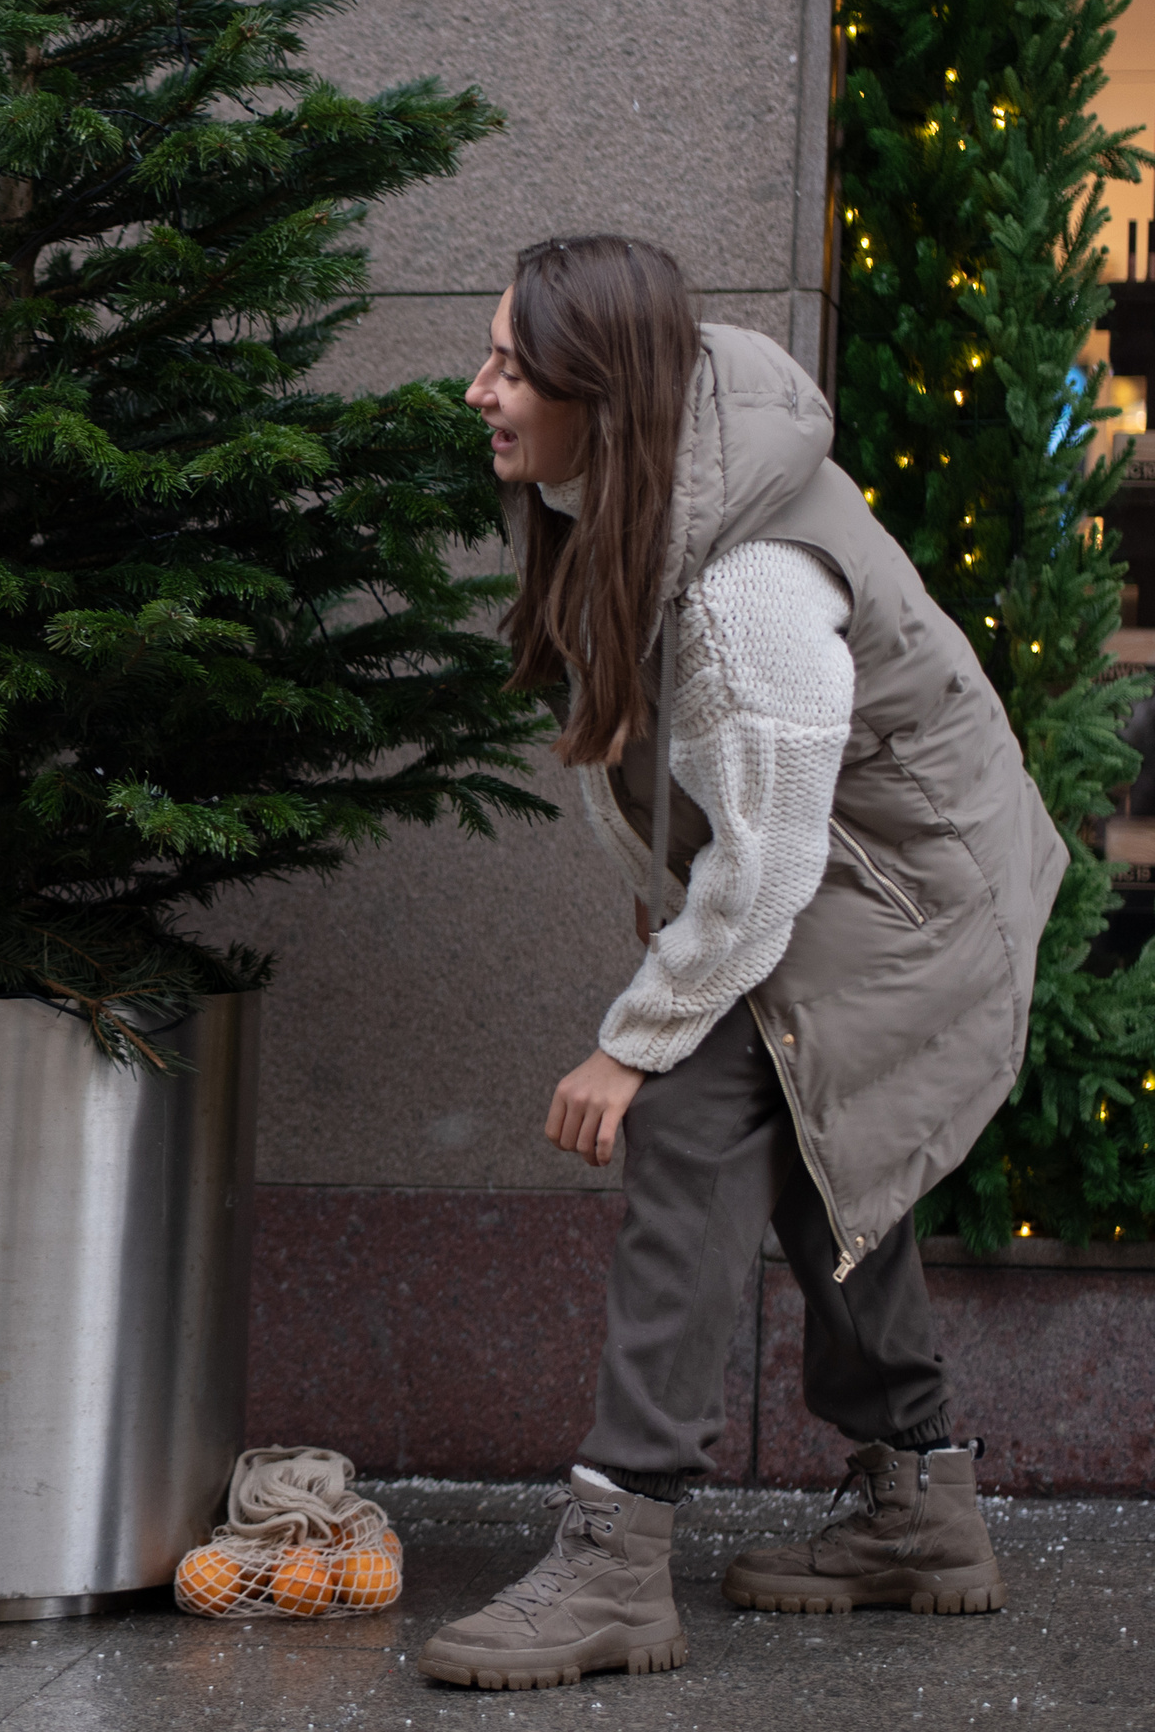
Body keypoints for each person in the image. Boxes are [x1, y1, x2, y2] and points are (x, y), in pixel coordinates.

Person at [416, 237, 1066, 1690]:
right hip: (849, 878)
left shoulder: (752, 582)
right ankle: (918, 1503)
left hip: (911, 900)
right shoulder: (638, 489)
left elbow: (765, 869)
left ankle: (615, 1553)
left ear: (607, 388)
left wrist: (634, 1035)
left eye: (515, 365)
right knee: (816, 1136)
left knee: (695, 1113)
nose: (481, 389)